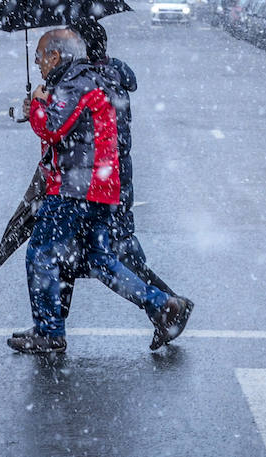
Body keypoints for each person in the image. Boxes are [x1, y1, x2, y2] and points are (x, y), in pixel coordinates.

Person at [9, 29, 191, 354]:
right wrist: (41, 103)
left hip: (74, 189)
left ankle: (49, 332)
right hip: (103, 188)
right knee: (101, 260)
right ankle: (163, 306)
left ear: (55, 56)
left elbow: (52, 128)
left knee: (41, 252)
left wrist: (38, 102)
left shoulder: (74, 83)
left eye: (40, 56)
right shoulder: (93, 79)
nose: (37, 63)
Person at [48, 18, 181, 319]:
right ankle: (51, 327)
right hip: (112, 180)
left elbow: (69, 132)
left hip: (97, 184)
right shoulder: (110, 76)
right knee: (84, 254)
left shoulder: (87, 83)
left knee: (99, 256)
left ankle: (169, 306)